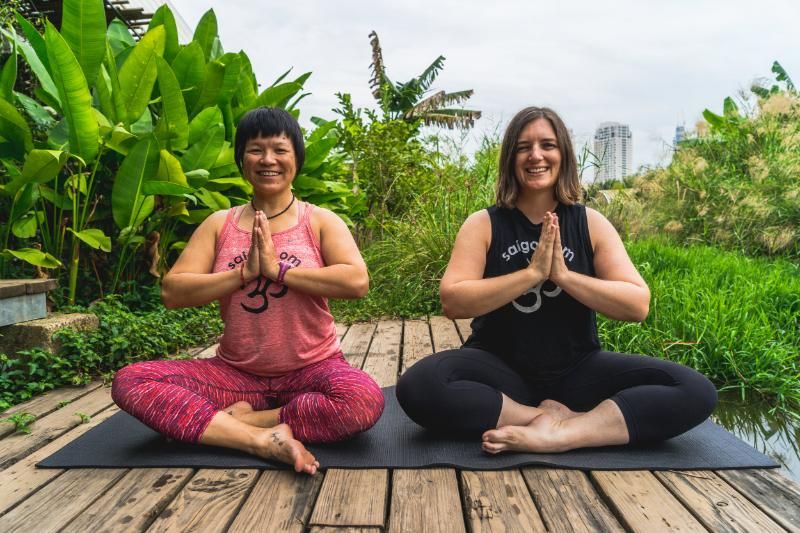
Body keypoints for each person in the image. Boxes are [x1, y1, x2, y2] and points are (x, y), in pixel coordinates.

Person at [396, 106, 717, 454]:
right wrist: (532, 274)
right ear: (510, 158)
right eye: (523, 147)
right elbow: (453, 301)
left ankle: (562, 434)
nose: (536, 155)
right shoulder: (484, 224)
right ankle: (538, 418)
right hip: (498, 371)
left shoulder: (589, 223)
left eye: (547, 145)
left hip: (577, 371)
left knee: (694, 389)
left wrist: (563, 276)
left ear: (563, 154)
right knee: (419, 386)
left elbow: (637, 304)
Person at [112, 108, 384, 474]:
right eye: (256, 150)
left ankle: (248, 421)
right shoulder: (219, 224)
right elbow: (173, 291)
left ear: (297, 159)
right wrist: (245, 272)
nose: (268, 159)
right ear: (242, 160)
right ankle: (260, 441)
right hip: (235, 375)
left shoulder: (318, 220)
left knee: (361, 399)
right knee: (132, 381)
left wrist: (278, 270)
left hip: (313, 370)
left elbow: (356, 282)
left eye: (279, 149)